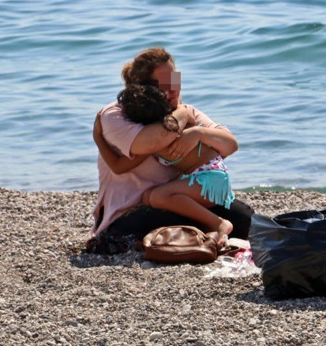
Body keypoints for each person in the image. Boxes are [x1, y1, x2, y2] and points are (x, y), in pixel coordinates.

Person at [91, 47, 253, 243]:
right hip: (130, 211)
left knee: (244, 218)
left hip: (178, 195)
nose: (174, 90)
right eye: (164, 86)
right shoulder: (116, 114)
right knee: (168, 217)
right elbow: (153, 141)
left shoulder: (183, 111)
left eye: (175, 81)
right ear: (144, 88)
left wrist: (199, 133)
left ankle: (210, 231)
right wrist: (183, 114)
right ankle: (209, 231)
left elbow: (230, 144)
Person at [97, 82, 236, 244]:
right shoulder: (176, 125)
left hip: (210, 180)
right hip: (215, 175)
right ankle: (209, 228)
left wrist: (98, 138)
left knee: (157, 196)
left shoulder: (157, 143)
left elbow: (118, 166)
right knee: (149, 197)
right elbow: (190, 118)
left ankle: (219, 224)